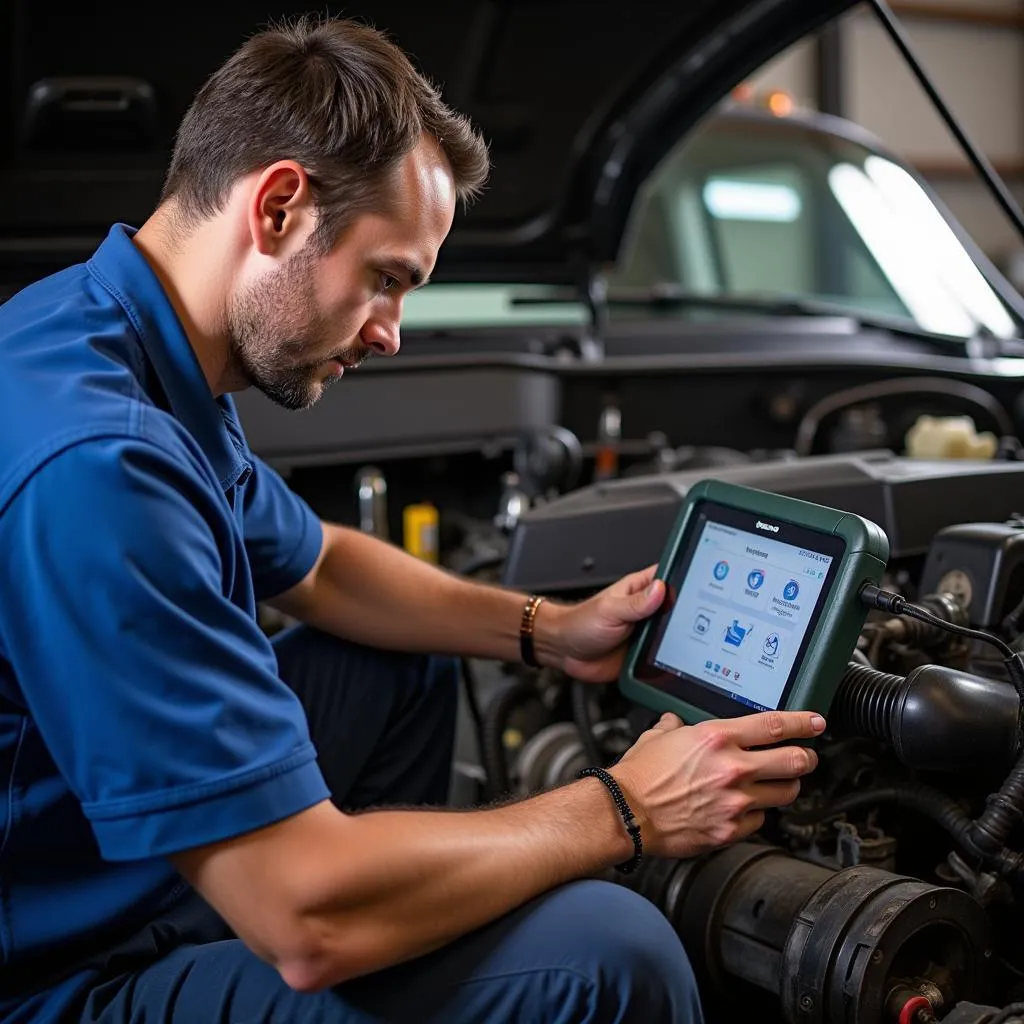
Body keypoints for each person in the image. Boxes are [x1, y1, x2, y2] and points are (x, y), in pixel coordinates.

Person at [0, 15, 825, 1024]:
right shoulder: (100, 466)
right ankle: (357, 912)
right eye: (386, 278)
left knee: (396, 661)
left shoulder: (112, 332)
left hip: (92, 854)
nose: (390, 333)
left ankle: (369, 912)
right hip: (54, 973)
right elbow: (302, 917)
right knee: (609, 953)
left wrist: (545, 630)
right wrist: (622, 808)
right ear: (279, 207)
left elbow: (323, 569)